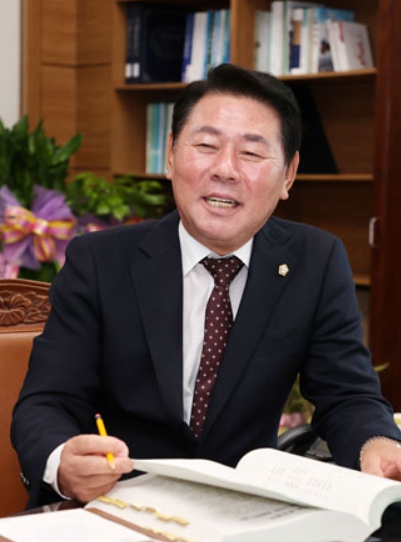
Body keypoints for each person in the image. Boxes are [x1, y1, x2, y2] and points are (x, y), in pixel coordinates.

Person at [11, 63, 401, 509]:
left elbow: (347, 395)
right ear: (171, 154)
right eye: (206, 146)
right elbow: (47, 402)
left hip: (243, 512)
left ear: (289, 175)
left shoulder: (315, 261)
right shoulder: (99, 261)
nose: (225, 169)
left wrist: (378, 447)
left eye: (251, 153)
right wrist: (62, 462)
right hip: (117, 507)